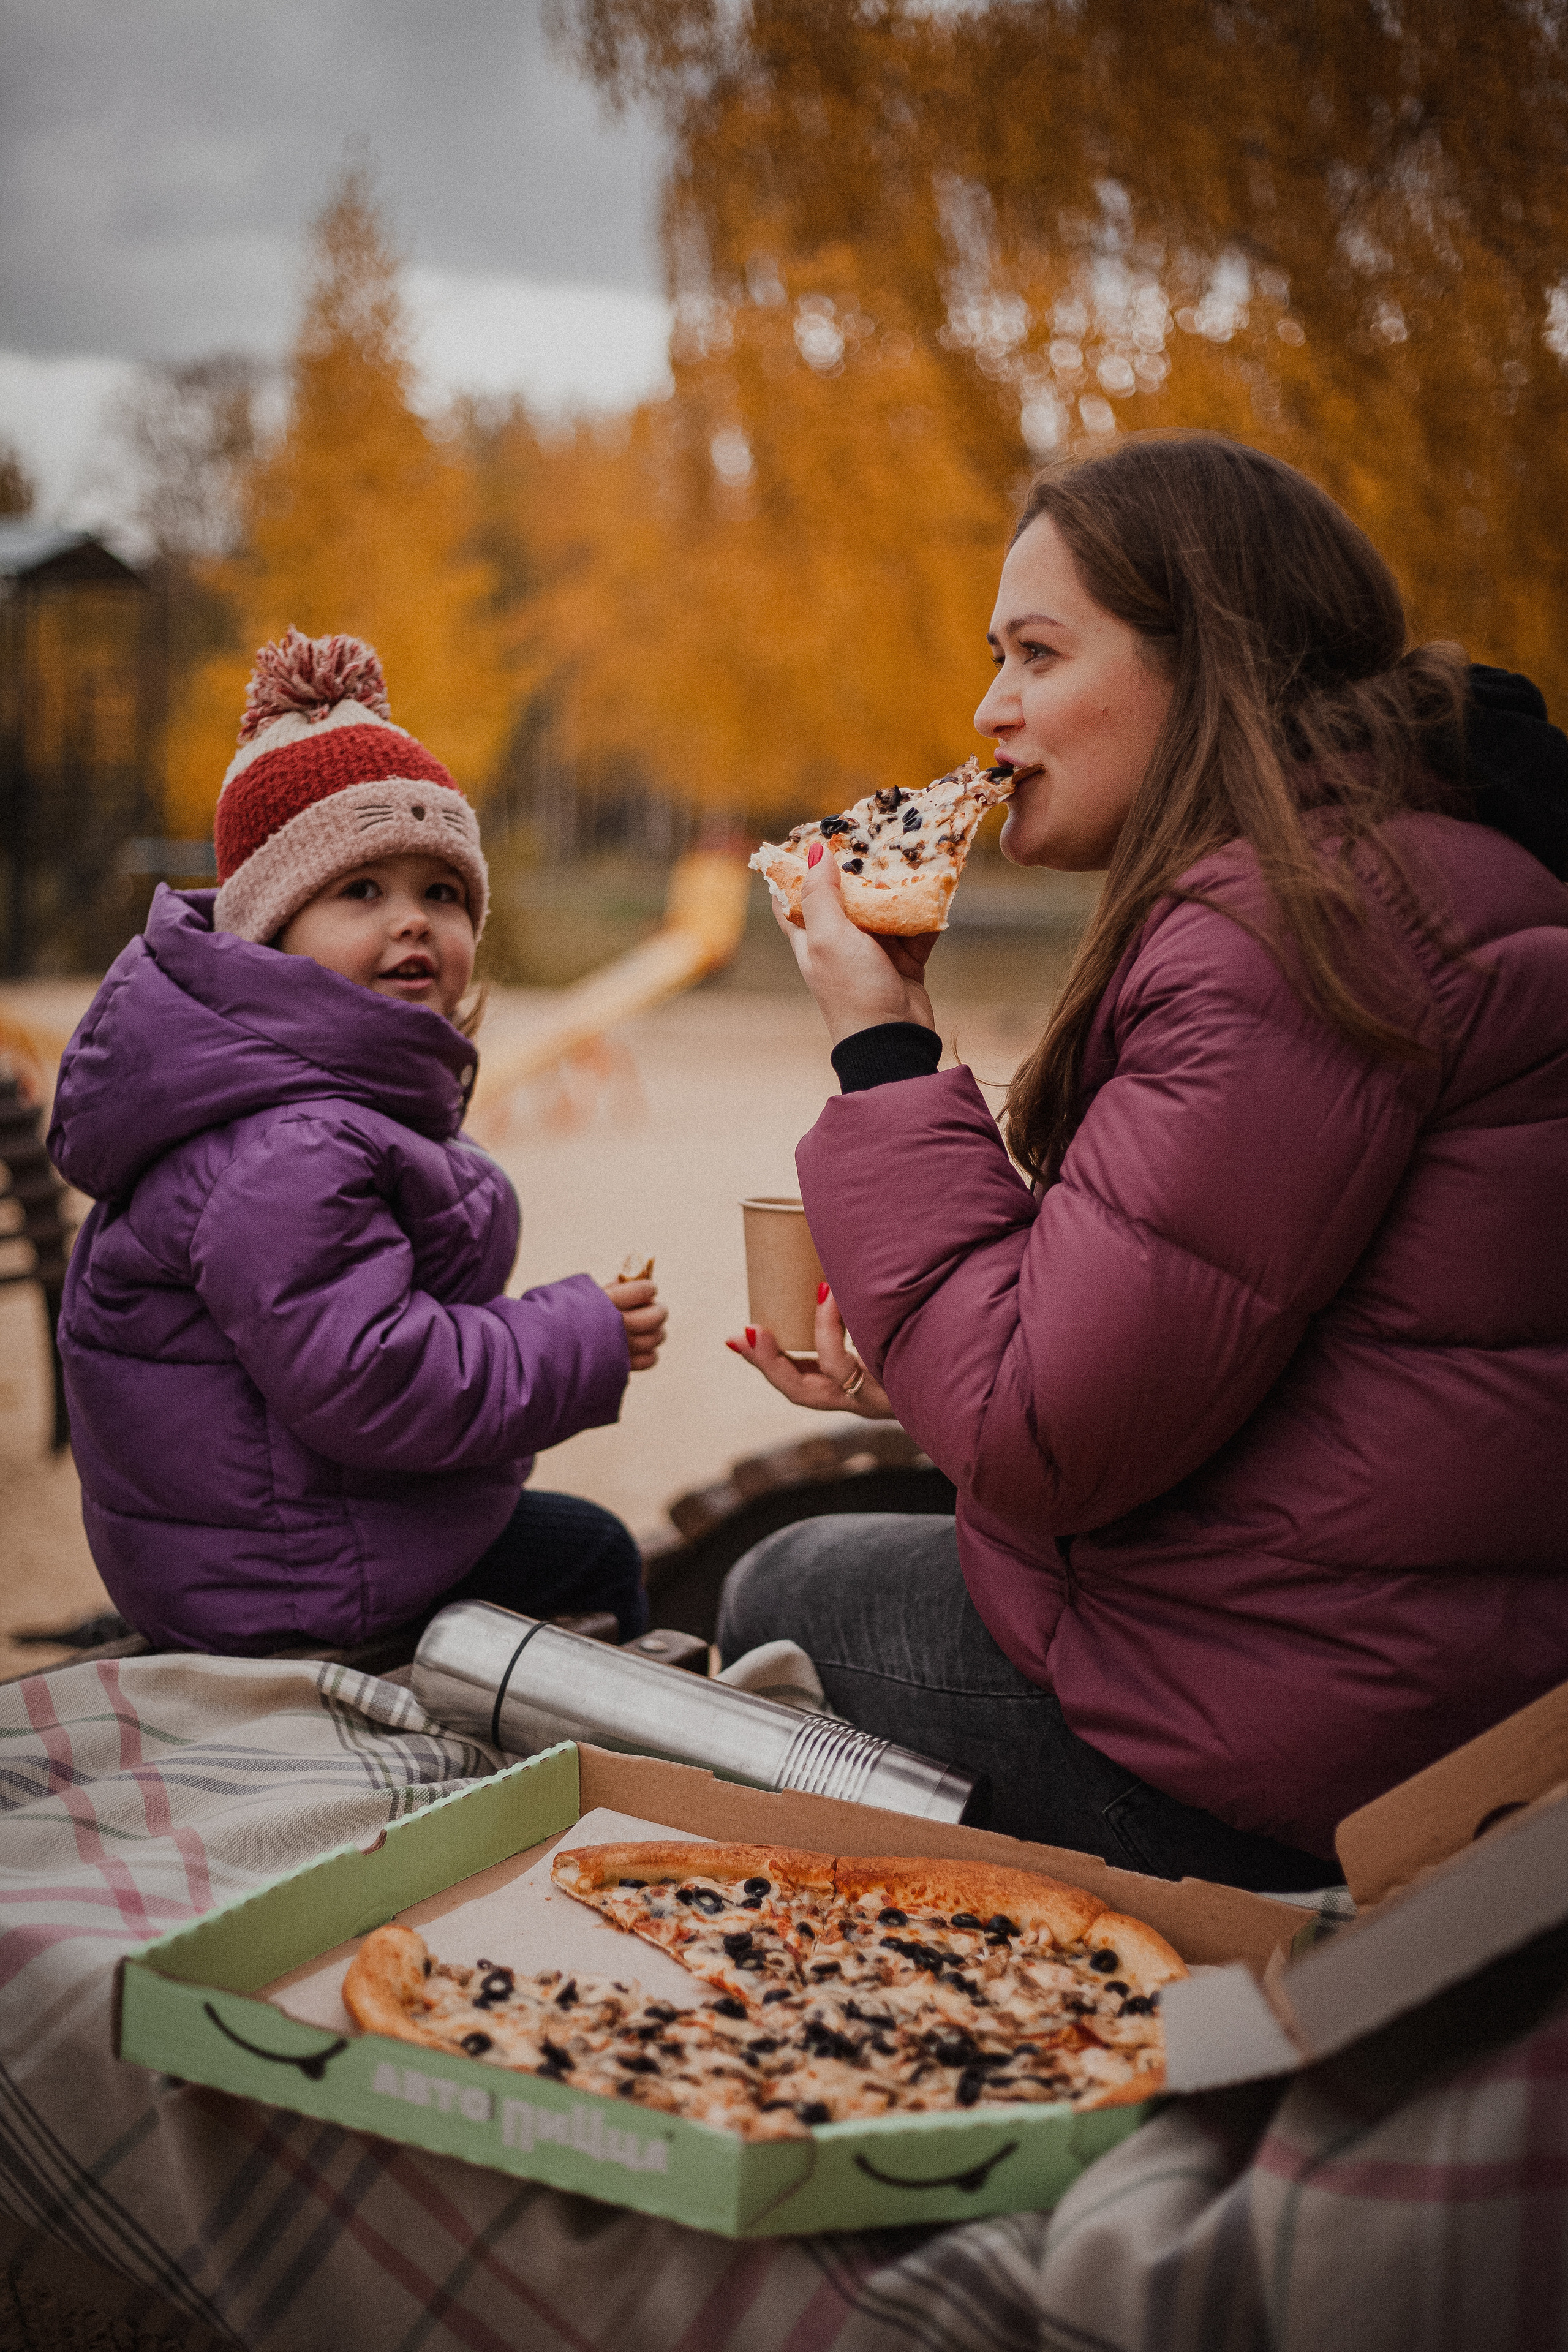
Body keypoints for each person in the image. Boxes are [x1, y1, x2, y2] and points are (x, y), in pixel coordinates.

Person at [723, 432, 1568, 1889]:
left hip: (1295, 1762)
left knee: (780, 1588)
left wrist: (880, 1043)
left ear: (1210, 661)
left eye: (1037, 655)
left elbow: (1039, 1437)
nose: (988, 712)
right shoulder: (1422, 865)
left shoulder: (1291, 930)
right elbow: (1236, 1343)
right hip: (1424, 1667)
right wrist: (924, 1364)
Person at [50, 628, 666, 1655]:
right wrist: (578, 1336)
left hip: (281, 1536)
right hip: (281, 1582)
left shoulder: (310, 1096)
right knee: (596, 1554)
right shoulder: (287, 1144)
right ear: (270, 929)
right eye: (361, 892)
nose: (413, 923)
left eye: (441, 892)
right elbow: (371, 1379)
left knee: (555, 1545)